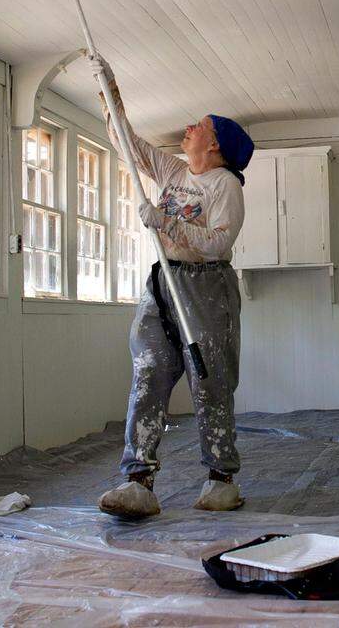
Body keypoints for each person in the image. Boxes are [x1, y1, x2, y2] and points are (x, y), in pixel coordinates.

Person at [87, 55, 254, 519]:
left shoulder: (225, 186)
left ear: (216, 143)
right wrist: (109, 90)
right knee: (149, 374)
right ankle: (138, 481)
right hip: (164, 283)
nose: (188, 128)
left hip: (207, 289)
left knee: (210, 382)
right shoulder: (175, 172)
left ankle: (221, 480)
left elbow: (219, 242)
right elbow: (126, 142)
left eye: (198, 125)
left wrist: (168, 223)